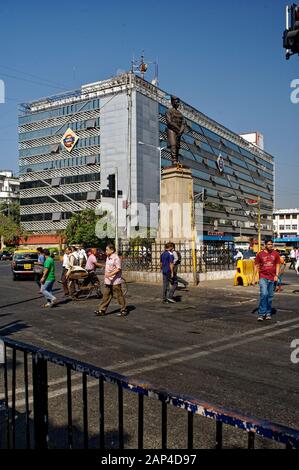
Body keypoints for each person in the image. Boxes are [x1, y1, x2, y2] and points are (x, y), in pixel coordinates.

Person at [94, 244, 127, 317]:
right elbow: (108, 266)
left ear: (112, 250)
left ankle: (123, 310)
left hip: (115, 281)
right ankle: (102, 310)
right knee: (106, 296)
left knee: (119, 295)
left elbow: (118, 269)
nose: (105, 251)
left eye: (107, 250)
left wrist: (110, 274)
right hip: (108, 281)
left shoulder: (116, 258)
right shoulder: (108, 257)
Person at [254, 239, 281, 321]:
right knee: (264, 294)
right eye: (268, 244)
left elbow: (277, 264)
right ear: (265, 245)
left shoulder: (276, 253)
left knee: (270, 296)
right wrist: (253, 278)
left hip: (272, 277)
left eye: (271, 244)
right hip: (263, 277)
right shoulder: (260, 254)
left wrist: (276, 275)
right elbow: (256, 265)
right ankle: (261, 314)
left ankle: (268, 313)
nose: (270, 245)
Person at [165, 96, 186, 165]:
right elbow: (169, 122)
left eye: (178, 102)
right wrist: (178, 129)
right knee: (173, 145)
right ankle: (174, 159)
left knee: (177, 146)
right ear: (172, 102)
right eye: (176, 102)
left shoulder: (180, 114)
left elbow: (183, 123)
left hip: (178, 132)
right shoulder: (169, 111)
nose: (177, 103)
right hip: (172, 131)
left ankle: (176, 159)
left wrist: (180, 131)